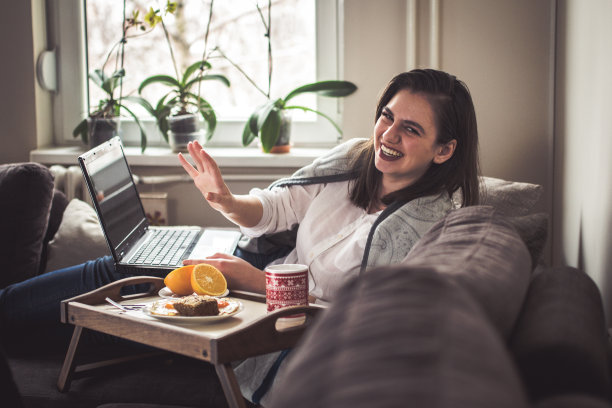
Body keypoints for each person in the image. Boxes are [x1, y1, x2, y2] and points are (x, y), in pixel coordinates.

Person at [0, 68, 479, 405]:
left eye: (410, 128)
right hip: (244, 286)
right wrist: (224, 199)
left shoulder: (428, 227)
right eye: (387, 116)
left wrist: (253, 281)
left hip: (257, 317)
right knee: (121, 273)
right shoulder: (352, 165)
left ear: (445, 150)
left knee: (119, 277)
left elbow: (356, 319)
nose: (388, 134)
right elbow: (276, 208)